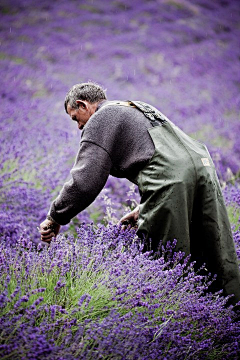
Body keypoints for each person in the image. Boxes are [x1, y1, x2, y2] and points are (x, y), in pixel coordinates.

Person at [39, 82, 240, 305]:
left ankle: (172, 321)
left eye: (76, 118)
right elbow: (173, 157)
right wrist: (142, 207)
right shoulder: (134, 106)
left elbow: (85, 180)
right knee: (213, 251)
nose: (78, 127)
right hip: (204, 168)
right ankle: (229, 314)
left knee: (163, 262)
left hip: (171, 179)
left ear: (82, 104)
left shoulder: (100, 119)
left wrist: (55, 216)